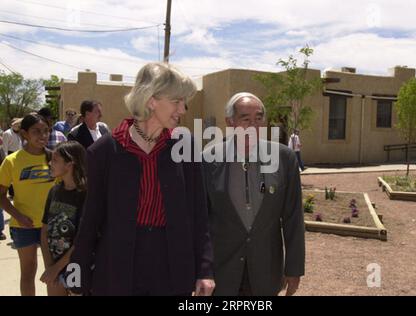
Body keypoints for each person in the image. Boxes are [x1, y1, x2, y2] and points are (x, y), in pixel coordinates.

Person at [69, 62, 214, 296]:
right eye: (177, 101)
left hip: (172, 268)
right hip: (118, 269)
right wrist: (78, 276)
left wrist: (205, 270)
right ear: (151, 99)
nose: (183, 110)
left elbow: (199, 214)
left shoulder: (185, 147)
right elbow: (91, 216)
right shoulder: (104, 151)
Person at [202, 92, 305, 296]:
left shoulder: (284, 158)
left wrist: (294, 269)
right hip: (222, 273)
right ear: (229, 122)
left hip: (266, 272)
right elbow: (201, 222)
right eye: (245, 119)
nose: (253, 126)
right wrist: (201, 271)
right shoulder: (207, 159)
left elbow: (293, 218)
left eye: (259, 118)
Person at [0, 114, 55, 296]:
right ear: (24, 134)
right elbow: (1, 195)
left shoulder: (55, 158)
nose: (43, 135)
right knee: (29, 271)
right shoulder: (12, 161)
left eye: (46, 131)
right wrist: (19, 216)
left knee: (52, 272)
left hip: (51, 226)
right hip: (24, 226)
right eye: (36, 131)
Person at [40, 141, 87, 296]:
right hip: (53, 264)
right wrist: (49, 266)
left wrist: (56, 268)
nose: (49, 163)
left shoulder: (85, 195)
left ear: (69, 164)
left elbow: (83, 241)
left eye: (55, 160)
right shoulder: (54, 191)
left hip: (76, 267)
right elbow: (44, 230)